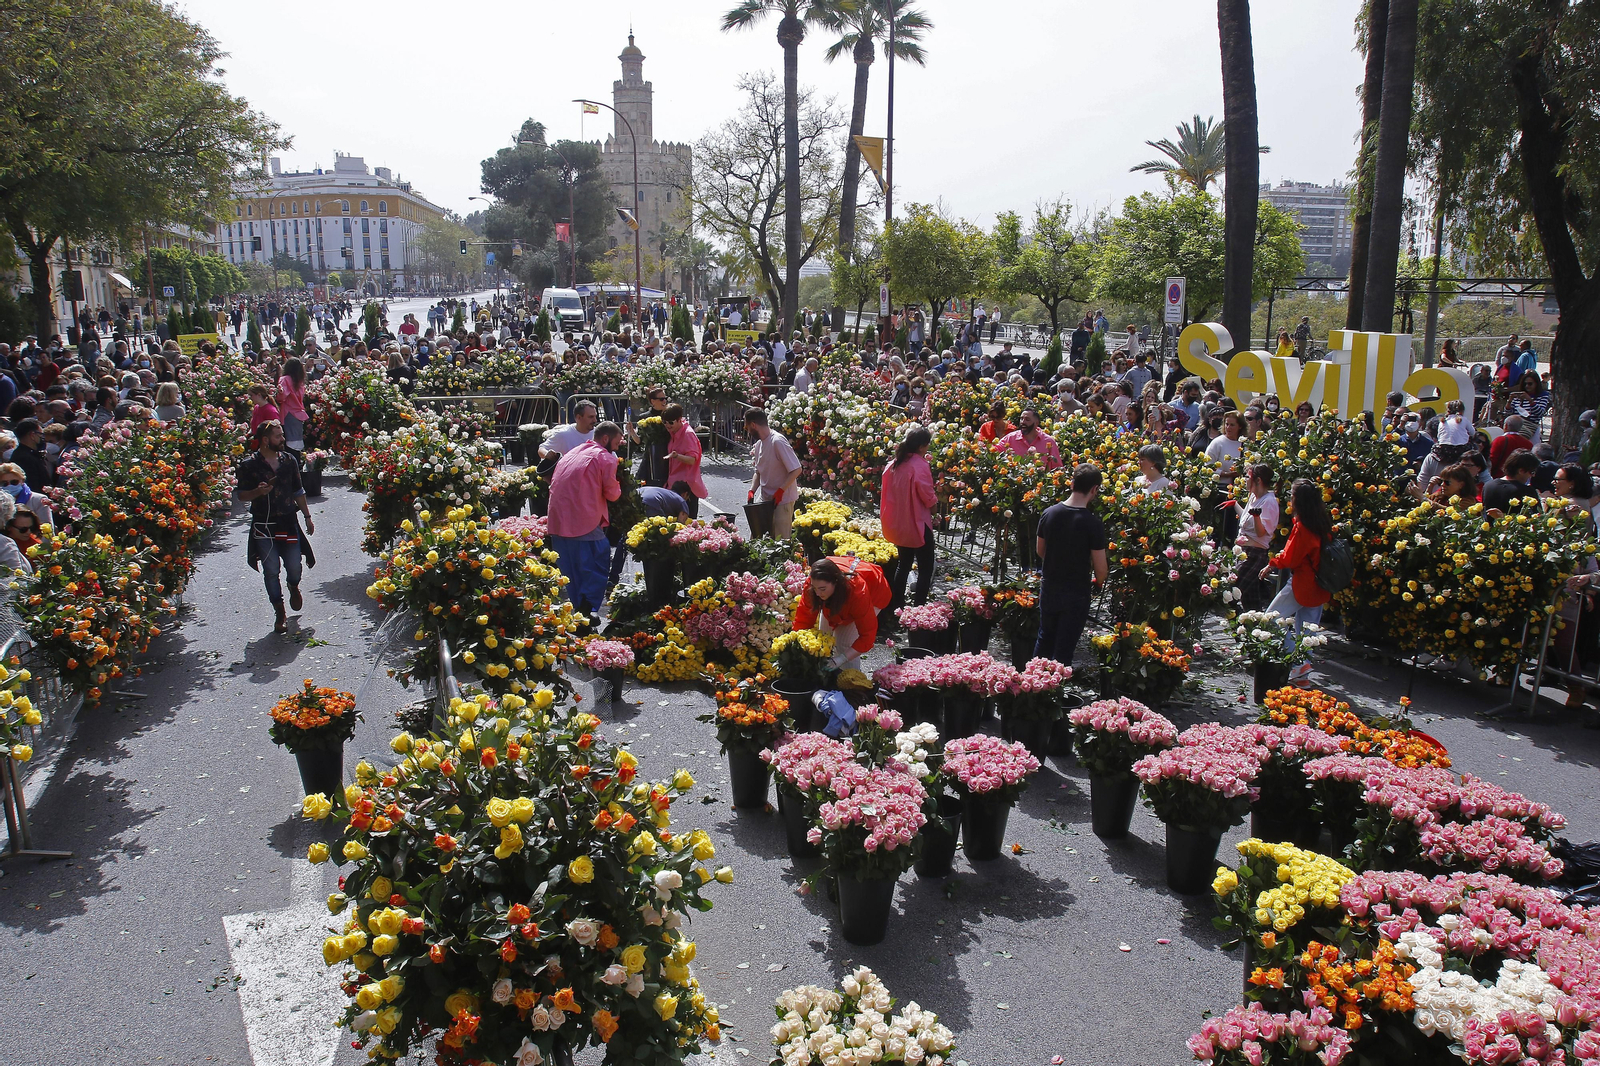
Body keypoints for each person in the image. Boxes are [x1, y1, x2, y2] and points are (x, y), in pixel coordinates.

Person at [236, 420, 315, 633]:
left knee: (294, 567)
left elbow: (298, 490)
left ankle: (293, 585)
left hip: (288, 522)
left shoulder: (289, 460)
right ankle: (279, 612)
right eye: (278, 436)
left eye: (282, 435)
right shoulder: (248, 465)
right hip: (263, 524)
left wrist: (307, 516)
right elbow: (242, 494)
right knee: (271, 570)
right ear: (265, 440)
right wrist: (257, 493)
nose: (283, 439)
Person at [547, 421, 624, 621]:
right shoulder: (605, 457)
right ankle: (587, 606)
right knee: (598, 559)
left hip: (558, 519)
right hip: (583, 518)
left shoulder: (574, 451)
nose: (616, 449)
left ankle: (579, 608)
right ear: (605, 439)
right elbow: (613, 494)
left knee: (570, 566)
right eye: (616, 444)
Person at [1034, 464, 1108, 665]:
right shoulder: (1092, 524)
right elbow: (1101, 569)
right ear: (1094, 489)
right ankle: (1055, 689)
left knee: (1044, 639)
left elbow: (1040, 550)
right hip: (1076, 591)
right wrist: (1098, 582)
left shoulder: (1049, 513)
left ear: (1072, 483)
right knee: (1064, 649)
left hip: (1050, 586)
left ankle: (1034, 685)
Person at [1261, 479, 1333, 683]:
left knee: (1271, 620)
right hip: (1321, 583)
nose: (1289, 500)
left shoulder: (1302, 527)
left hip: (1302, 583)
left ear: (1298, 501)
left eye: (1291, 496)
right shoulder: (1322, 522)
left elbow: (1290, 558)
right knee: (1307, 631)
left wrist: (1272, 563)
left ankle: (1298, 662)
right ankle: (1302, 675)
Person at [880, 426, 937, 634]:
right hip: (917, 522)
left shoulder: (893, 464)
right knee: (925, 568)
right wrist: (935, 508)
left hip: (898, 523)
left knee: (903, 565)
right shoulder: (919, 465)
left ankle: (897, 608)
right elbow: (927, 494)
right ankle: (919, 611)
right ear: (922, 446)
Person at [791, 556, 892, 672]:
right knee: (823, 637)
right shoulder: (815, 584)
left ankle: (851, 683)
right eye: (815, 588)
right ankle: (824, 679)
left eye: (822, 589)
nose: (818, 593)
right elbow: (803, 619)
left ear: (835, 582)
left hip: (874, 592)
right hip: (838, 594)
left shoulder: (857, 592)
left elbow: (867, 636)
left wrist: (841, 659)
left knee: (844, 642)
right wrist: (797, 646)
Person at [745, 408, 800, 539]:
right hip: (765, 498)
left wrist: (781, 490)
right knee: (756, 536)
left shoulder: (777, 441)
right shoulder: (759, 445)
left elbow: (796, 469)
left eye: (747, 427)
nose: (747, 431)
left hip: (783, 500)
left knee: (780, 541)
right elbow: (758, 472)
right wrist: (752, 490)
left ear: (753, 425)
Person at [1235, 463, 1281, 611]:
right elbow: (1246, 522)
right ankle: (1253, 631)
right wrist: (1235, 504)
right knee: (1250, 601)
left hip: (1254, 555)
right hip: (1243, 552)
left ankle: (1243, 626)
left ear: (1258, 480)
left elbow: (1261, 532)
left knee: (1232, 592)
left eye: (1248, 477)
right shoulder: (1253, 497)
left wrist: (1256, 516)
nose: (1245, 480)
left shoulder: (1269, 502)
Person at [662, 403, 707, 519]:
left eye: (671, 422)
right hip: (675, 482)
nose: (667, 425)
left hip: (686, 486)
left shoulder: (688, 434)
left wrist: (677, 456)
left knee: (686, 521)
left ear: (679, 420)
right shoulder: (674, 432)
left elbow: (692, 460)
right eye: (664, 422)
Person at [996, 409, 1063, 468]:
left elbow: (1057, 468)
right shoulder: (1011, 438)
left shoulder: (1048, 441)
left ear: (1036, 423)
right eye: (1021, 419)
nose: (1023, 422)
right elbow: (995, 451)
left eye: (1027, 419)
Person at [1483, 449, 1542, 514]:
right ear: (1521, 471)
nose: (1533, 476)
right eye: (1532, 472)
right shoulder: (1526, 491)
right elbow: (1537, 518)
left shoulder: (1488, 485)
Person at [277, 357, 308, 452]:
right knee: (297, 441)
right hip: (299, 413)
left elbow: (281, 397)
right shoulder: (300, 381)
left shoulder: (284, 379)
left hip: (288, 413)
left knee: (290, 443)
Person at [9, 419, 49, 492]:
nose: (42, 438)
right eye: (40, 434)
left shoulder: (28, 454)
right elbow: (33, 485)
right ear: (32, 435)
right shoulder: (24, 458)